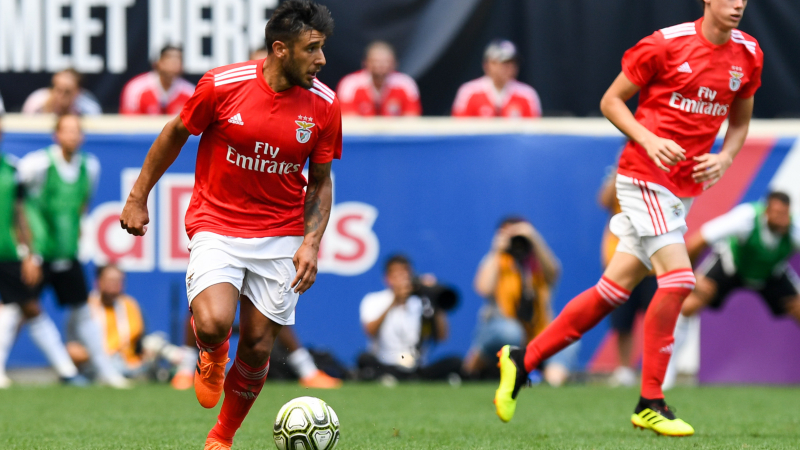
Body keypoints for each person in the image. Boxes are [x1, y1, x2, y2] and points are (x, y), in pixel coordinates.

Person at [494, 0, 762, 437]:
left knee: (611, 292)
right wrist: (648, 138)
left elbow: (739, 122)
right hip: (643, 176)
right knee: (679, 280)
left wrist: (726, 158)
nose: (737, 4)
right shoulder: (665, 44)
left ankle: (522, 360)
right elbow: (611, 101)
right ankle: (650, 402)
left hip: (680, 190)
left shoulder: (748, 53)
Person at [118, 1, 341, 448]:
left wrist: (311, 242)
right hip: (217, 220)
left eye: (322, 48)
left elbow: (320, 181)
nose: (321, 59)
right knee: (214, 322)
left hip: (281, 232)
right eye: (312, 48)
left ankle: (222, 437)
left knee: (257, 346)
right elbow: (174, 133)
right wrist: (138, 196)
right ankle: (212, 354)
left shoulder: (325, 104)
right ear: (280, 49)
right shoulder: (222, 85)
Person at [14, 114, 131, 388]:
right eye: (66, 130)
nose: (72, 135)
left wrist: (75, 230)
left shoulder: (89, 166)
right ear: (56, 134)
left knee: (82, 311)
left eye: (76, 130)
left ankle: (104, 371)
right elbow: (17, 203)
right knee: (15, 309)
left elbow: (83, 202)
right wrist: (27, 248)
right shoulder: (37, 164)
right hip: (38, 253)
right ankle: (64, 369)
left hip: (66, 252)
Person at [663, 192, 800, 387]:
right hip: (732, 266)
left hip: (770, 272)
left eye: (785, 214)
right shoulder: (745, 218)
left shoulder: (794, 230)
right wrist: (690, 276)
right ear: (766, 212)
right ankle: (667, 371)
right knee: (689, 304)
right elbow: (698, 240)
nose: (781, 220)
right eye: (777, 214)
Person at [0, 101, 87, 388]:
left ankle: (67, 371)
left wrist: (28, 253)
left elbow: (20, 214)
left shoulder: (12, 169)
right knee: (24, 307)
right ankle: (67, 371)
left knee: (27, 305)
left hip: (7, 252)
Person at [463, 217, 559, 380]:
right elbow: (483, 288)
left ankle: (553, 381)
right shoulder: (498, 259)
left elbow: (553, 273)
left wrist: (534, 238)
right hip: (500, 328)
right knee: (511, 332)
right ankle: (474, 367)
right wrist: (496, 250)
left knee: (566, 338)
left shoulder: (537, 262)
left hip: (536, 330)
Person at [66, 265, 191, 380]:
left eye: (118, 281)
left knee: (155, 343)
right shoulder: (84, 309)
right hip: (96, 366)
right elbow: (73, 349)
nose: (114, 285)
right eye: (110, 280)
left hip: (130, 365)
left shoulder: (130, 305)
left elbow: (140, 341)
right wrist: (99, 355)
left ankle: (183, 368)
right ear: (98, 281)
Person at [358, 255, 461, 383]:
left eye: (405, 274)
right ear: (387, 278)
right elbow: (370, 331)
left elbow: (442, 336)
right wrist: (394, 301)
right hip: (386, 363)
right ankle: (395, 377)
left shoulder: (422, 303)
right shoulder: (374, 300)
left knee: (456, 362)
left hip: (417, 366)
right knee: (364, 358)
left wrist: (434, 297)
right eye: (397, 275)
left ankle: (397, 378)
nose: (403, 279)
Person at [598, 170, 658, 387]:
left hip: (651, 263)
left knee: (656, 320)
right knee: (622, 320)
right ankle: (624, 369)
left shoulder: (655, 176)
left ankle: (655, 370)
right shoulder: (619, 176)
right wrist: (620, 173)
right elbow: (604, 201)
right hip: (620, 260)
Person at [451, 39, 541, 118]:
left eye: (513, 63)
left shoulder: (527, 95)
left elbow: (534, 129)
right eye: (504, 63)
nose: (510, 68)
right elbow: (459, 128)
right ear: (488, 65)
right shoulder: (469, 92)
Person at [336, 41, 421, 116]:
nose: (380, 65)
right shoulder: (350, 84)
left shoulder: (406, 84)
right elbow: (348, 118)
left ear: (394, 63)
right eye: (375, 61)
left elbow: (412, 119)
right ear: (365, 63)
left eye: (385, 62)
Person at [120, 45, 196, 115]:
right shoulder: (136, 89)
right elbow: (128, 121)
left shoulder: (190, 93)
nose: (174, 64)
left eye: (178, 59)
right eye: (169, 58)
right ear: (158, 62)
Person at [22, 69, 102, 116]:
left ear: (78, 92)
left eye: (67, 92)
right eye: (58, 90)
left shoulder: (90, 109)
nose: (61, 96)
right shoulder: (36, 103)